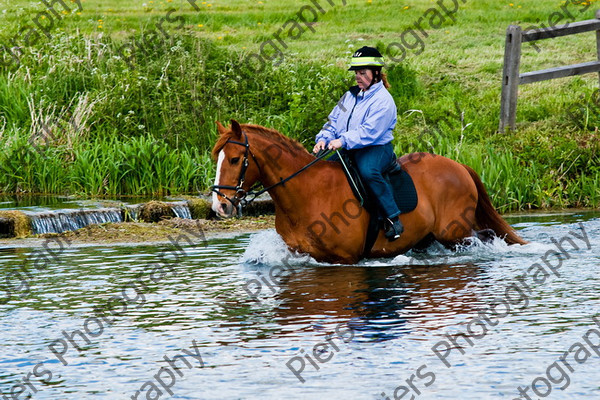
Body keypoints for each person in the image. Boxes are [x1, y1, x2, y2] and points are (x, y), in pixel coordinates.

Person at [312, 46, 404, 241]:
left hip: (376, 148)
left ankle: (392, 218)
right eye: (356, 73)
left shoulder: (383, 101)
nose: (358, 77)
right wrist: (323, 139)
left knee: (368, 172)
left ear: (376, 73)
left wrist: (342, 140)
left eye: (362, 73)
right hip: (348, 146)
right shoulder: (349, 96)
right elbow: (333, 122)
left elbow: (369, 132)